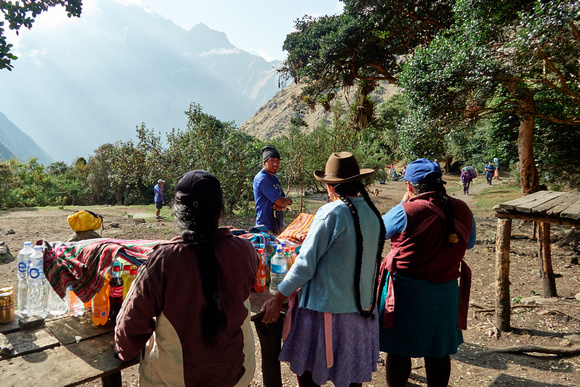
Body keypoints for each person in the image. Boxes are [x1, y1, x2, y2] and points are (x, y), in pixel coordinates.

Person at [114, 170, 259, 386]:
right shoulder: (246, 250)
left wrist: (122, 352)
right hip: (237, 376)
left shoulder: (163, 260)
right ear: (220, 212)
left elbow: (130, 327)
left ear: (178, 213)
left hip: (175, 381)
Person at [260, 152, 386, 387]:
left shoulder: (332, 213)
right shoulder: (372, 212)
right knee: (351, 375)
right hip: (361, 311)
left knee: (309, 376)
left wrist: (278, 297)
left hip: (325, 311)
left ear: (330, 186)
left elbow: (306, 264)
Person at [377, 158, 476, 387]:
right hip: (446, 293)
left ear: (409, 186)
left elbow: (379, 231)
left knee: (399, 350)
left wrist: (402, 204)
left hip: (407, 292)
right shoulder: (462, 208)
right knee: (438, 351)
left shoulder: (406, 211)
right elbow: (469, 243)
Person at [253, 145, 293, 234]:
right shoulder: (262, 179)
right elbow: (282, 201)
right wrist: (285, 201)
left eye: (278, 161)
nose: (276, 164)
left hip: (277, 226)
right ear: (264, 162)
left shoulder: (274, 178)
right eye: (272, 161)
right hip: (265, 229)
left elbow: (284, 200)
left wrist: (284, 202)